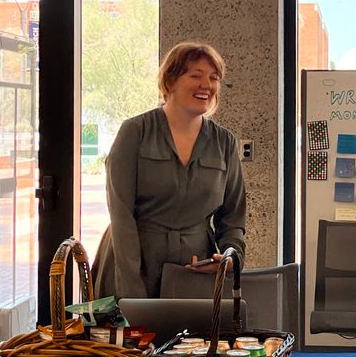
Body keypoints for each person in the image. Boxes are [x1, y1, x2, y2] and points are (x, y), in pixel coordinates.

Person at [97, 41, 247, 299]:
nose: (207, 85)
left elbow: (233, 217)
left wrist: (231, 257)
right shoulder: (135, 131)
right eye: (195, 75)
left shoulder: (225, 142)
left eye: (213, 78)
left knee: (193, 340)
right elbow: (121, 214)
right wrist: (132, 287)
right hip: (132, 265)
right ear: (170, 82)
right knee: (135, 339)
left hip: (194, 271)